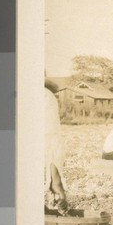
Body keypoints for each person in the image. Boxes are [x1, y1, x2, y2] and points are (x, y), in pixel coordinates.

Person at [45, 79, 68, 215]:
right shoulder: (49, 95)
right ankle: (63, 209)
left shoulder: (38, 94)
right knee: (55, 181)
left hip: (42, 140)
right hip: (53, 142)